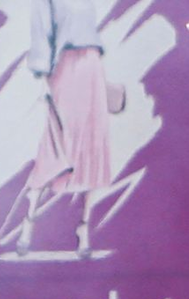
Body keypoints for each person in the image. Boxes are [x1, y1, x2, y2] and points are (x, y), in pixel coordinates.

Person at [20, 0, 116, 258]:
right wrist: (41, 75)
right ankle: (27, 225)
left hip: (91, 64)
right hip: (64, 66)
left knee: (90, 143)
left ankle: (84, 229)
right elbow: (41, 31)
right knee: (56, 141)